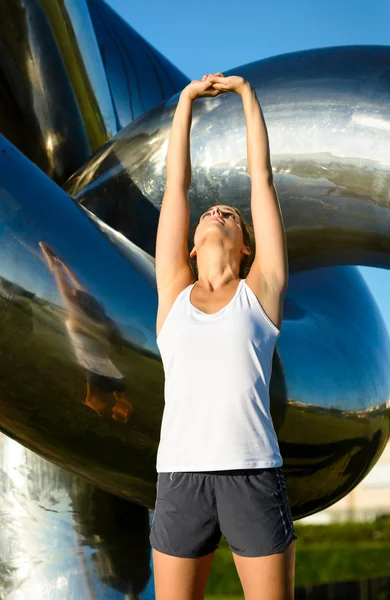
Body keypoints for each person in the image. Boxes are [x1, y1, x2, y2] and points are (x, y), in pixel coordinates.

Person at [150, 73, 296, 599]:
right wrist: (186, 100)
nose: (219, 212)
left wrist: (247, 96)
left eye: (230, 216)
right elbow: (175, 185)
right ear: (190, 246)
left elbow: (262, 180)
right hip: (180, 478)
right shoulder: (173, 295)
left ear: (246, 246)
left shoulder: (261, 293)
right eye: (211, 212)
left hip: (252, 475)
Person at [39, 242, 133, 423]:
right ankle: (112, 405)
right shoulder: (87, 308)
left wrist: (53, 260)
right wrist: (61, 262)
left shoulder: (79, 310)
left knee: (102, 380)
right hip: (94, 350)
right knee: (105, 379)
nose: (73, 293)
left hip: (92, 349)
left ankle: (111, 405)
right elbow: (76, 284)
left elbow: (69, 287)